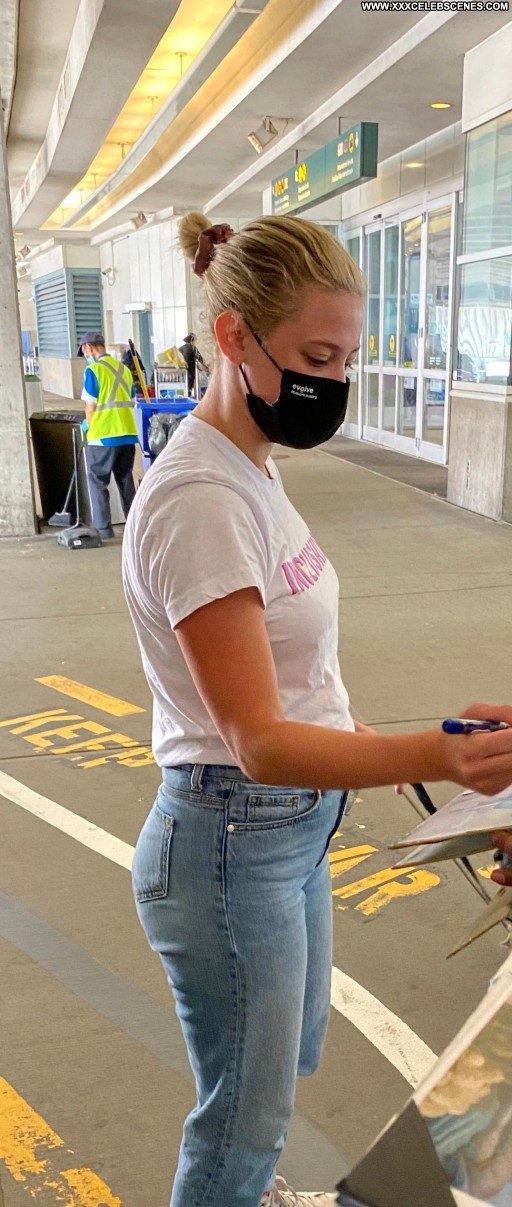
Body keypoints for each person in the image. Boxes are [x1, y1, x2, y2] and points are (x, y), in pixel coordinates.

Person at [122, 211, 512, 1207]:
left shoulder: (252, 465)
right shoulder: (202, 501)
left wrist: (440, 755)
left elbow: (295, 683)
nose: (333, 383)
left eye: (347, 360)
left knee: (280, 1061)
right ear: (233, 336)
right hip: (231, 836)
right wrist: (438, 755)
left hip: (285, 830)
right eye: (315, 359)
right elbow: (258, 741)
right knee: (241, 1120)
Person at [79, 331, 139, 539]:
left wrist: (89, 426)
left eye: (84, 351)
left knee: (97, 480)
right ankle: (135, 526)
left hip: (104, 435)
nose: (86, 355)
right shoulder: (124, 369)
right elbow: (130, 398)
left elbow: (90, 406)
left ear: (88, 348)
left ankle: (104, 529)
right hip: (128, 434)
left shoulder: (93, 370)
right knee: (125, 481)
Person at [179, 331, 208, 395]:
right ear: (192, 340)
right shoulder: (193, 348)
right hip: (190, 372)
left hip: (180, 372)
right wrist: (207, 368)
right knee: (189, 389)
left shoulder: (180, 348)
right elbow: (200, 360)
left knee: (183, 389)